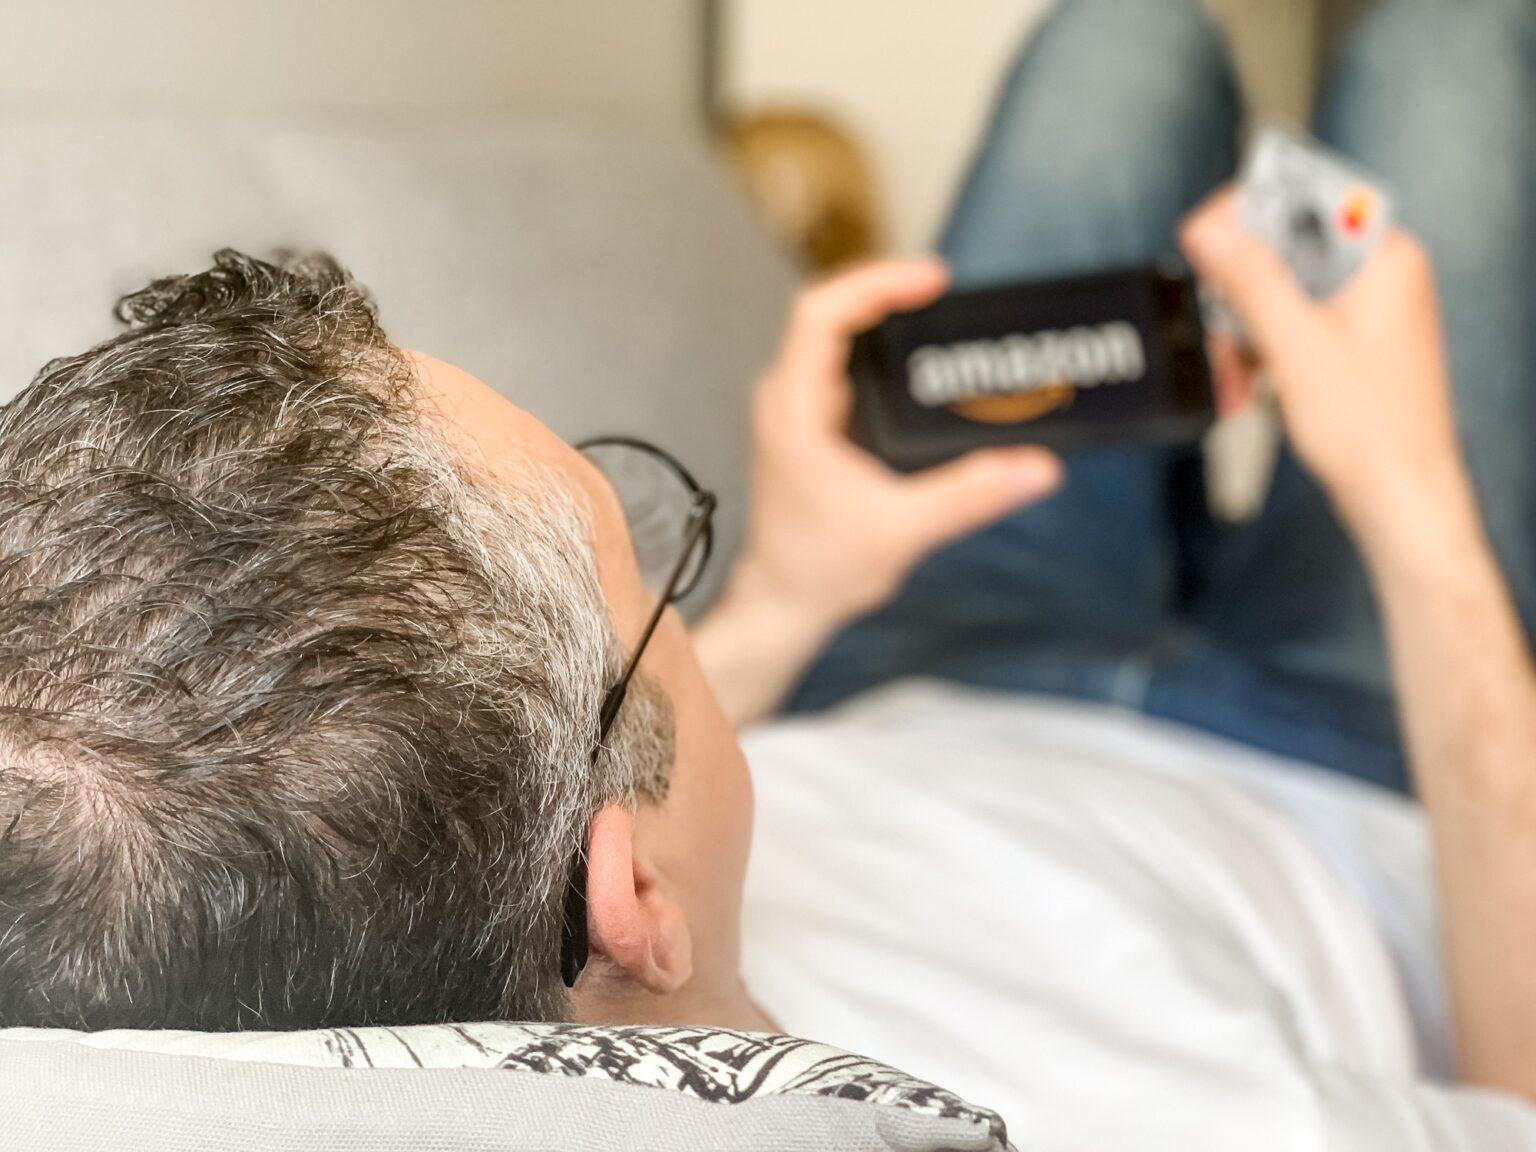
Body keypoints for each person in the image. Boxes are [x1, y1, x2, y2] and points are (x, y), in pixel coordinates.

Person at [0, 0, 1530, 1146]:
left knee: (1117, 38)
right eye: (651, 566)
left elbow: (529, 763)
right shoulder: (1160, 1116)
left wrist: (796, 580)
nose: (685, 590)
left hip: (927, 649)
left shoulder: (412, 905)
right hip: (1354, 757)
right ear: (632, 895)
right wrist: (1416, 506)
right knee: (1455, 46)